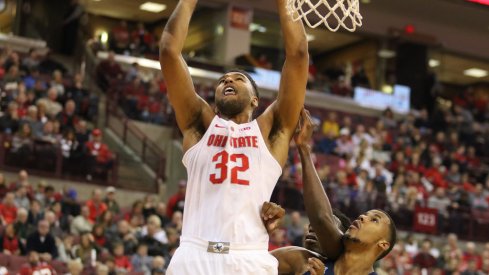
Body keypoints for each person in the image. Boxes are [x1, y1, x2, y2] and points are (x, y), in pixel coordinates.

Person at [159, 0, 308, 272]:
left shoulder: (271, 132)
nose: (228, 80)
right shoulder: (199, 126)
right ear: (214, 102)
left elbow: (298, 54)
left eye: (238, 78)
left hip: (247, 258)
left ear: (254, 101)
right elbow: (169, 51)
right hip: (193, 254)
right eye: (222, 80)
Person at [295, 109, 397, 275]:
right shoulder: (305, 261)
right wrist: (304, 148)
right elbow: (321, 217)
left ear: (383, 244)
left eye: (374, 220)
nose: (362, 217)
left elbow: (324, 218)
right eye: (365, 215)